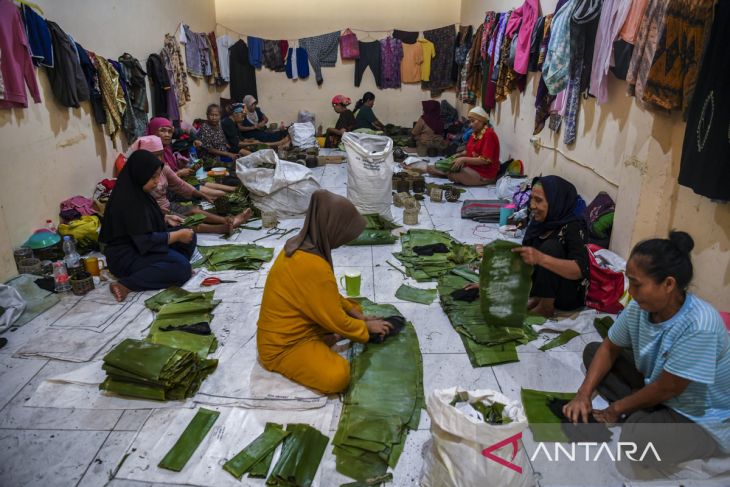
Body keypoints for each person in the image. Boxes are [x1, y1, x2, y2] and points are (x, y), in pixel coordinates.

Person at [563, 231, 729, 474]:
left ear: (669, 284)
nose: (631, 290)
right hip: (660, 385)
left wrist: (615, 409)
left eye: (637, 284)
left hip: (698, 414)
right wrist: (583, 394)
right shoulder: (640, 308)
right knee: (594, 351)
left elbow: (669, 388)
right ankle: (642, 404)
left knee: (637, 440)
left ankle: (676, 427)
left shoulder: (700, 325)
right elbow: (610, 346)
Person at [257, 190, 393, 394]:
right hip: (283, 347)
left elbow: (324, 295)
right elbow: (335, 317)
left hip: (305, 324)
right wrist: (365, 329)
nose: (343, 241)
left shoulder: (300, 245)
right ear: (331, 228)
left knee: (353, 307)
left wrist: (357, 315)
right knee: (337, 376)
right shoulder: (312, 265)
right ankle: (330, 338)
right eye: (343, 234)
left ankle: (331, 337)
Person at [100, 150, 196, 302]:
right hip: (126, 256)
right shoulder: (128, 201)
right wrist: (177, 235)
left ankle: (167, 269)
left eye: (158, 175)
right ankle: (126, 284)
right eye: (153, 177)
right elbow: (145, 239)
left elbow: (141, 223)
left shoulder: (138, 191)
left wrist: (164, 218)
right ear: (139, 174)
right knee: (182, 267)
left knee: (190, 236)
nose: (157, 181)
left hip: (140, 247)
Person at [146, 116, 235, 199]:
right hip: (167, 193)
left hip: (176, 183)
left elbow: (172, 171)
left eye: (169, 131)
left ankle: (233, 190)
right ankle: (228, 194)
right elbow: (160, 183)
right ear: (153, 131)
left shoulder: (167, 149)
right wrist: (180, 173)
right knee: (198, 188)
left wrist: (185, 167)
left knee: (199, 182)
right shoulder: (150, 153)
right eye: (163, 131)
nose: (167, 135)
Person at [426, 106, 500, 186]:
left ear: (481, 121)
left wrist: (463, 159)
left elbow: (485, 160)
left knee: (454, 173)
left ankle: (451, 174)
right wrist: (458, 155)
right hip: (471, 168)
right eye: (470, 122)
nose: (470, 125)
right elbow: (468, 151)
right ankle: (449, 173)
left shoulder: (489, 134)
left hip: (484, 173)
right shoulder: (474, 133)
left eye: (473, 121)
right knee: (431, 168)